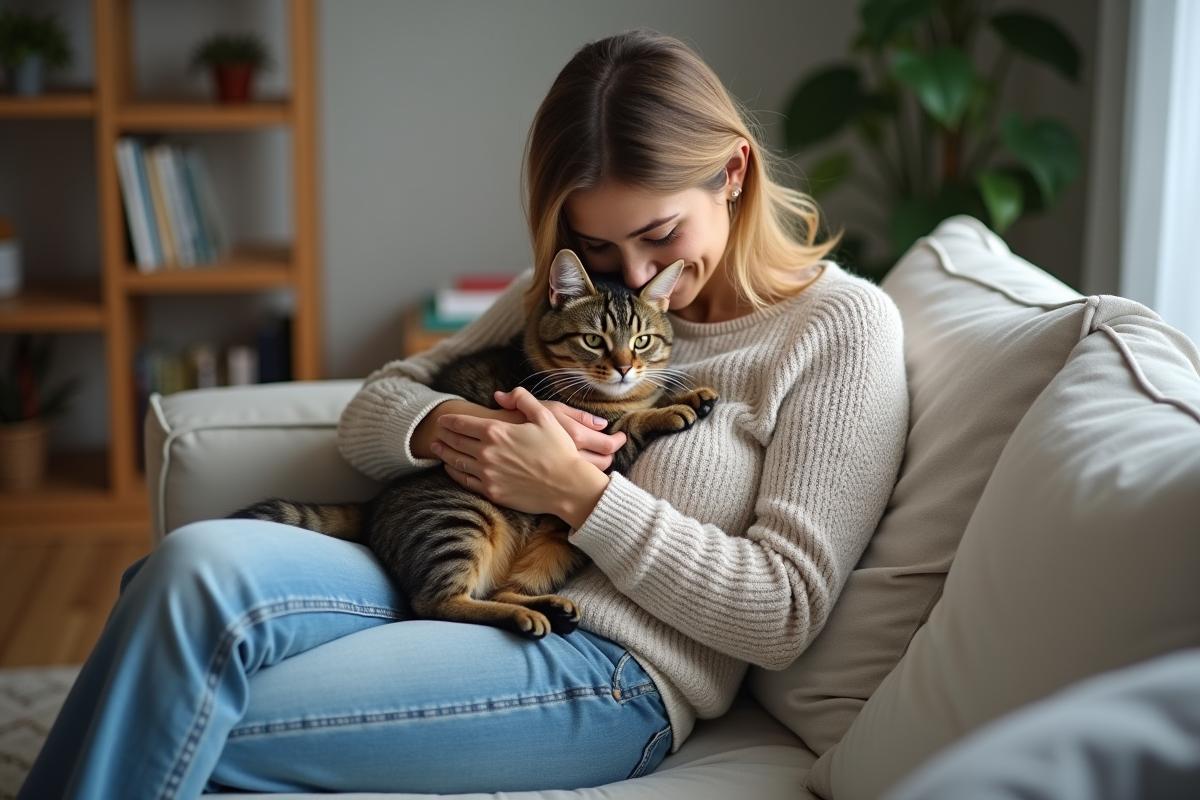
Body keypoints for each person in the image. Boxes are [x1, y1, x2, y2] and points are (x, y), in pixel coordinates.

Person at [19, 29, 908, 799]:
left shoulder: (839, 327)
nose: (634, 275)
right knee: (185, 574)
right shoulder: (571, 296)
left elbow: (783, 613)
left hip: (606, 668)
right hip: (438, 558)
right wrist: (465, 429)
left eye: (660, 235)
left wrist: (580, 497)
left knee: (167, 707)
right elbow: (377, 404)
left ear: (734, 173)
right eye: (597, 243)